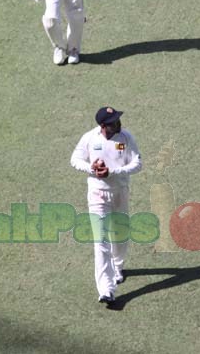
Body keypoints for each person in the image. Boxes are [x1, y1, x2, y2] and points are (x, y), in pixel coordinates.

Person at [70, 106, 143, 306]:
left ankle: (118, 266)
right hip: (97, 194)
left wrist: (113, 171)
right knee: (100, 240)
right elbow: (75, 159)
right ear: (104, 126)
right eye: (114, 122)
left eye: (118, 120)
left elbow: (137, 164)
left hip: (120, 192)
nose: (119, 124)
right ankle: (106, 289)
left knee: (120, 234)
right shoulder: (89, 138)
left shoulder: (125, 138)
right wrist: (91, 168)